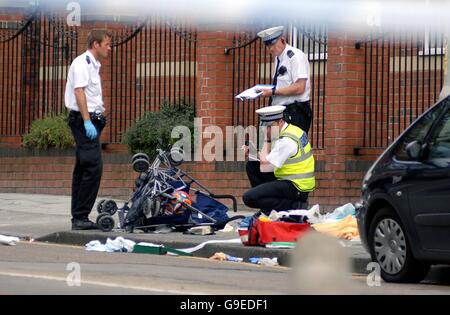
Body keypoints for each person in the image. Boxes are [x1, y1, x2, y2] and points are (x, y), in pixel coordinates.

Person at [65, 29, 112, 230]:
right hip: (83, 121)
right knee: (93, 167)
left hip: (91, 120)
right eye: (107, 44)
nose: (109, 48)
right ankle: (81, 217)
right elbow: (79, 91)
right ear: (96, 45)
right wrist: (87, 121)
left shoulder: (93, 65)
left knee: (83, 168)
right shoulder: (81, 63)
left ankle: (78, 217)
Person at [243, 105, 315, 214]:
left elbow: (265, 164)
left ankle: (295, 205)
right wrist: (253, 153)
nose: (267, 130)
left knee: (249, 198)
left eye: (270, 127)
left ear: (280, 122)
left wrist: (266, 139)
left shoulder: (286, 140)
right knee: (252, 165)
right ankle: (268, 208)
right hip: (288, 179)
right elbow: (267, 161)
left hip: (297, 187)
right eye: (265, 127)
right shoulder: (292, 130)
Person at [257, 26, 312, 134]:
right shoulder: (279, 58)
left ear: (282, 40)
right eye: (267, 46)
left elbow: (300, 87)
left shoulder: (295, 57)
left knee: (291, 147)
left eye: (273, 44)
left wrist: (272, 92)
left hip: (295, 111)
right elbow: (283, 85)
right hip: (282, 112)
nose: (270, 49)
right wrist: (268, 90)